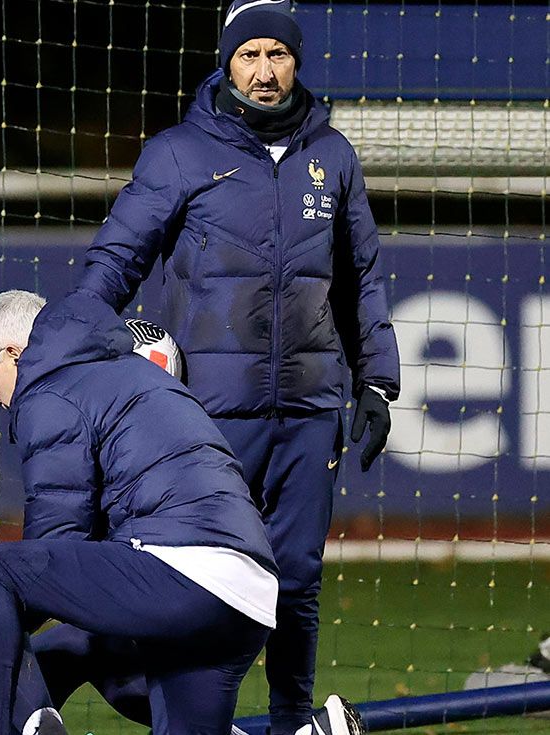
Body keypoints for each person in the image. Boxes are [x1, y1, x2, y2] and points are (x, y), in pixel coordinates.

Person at [75, 0, 400, 730]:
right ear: (225, 61)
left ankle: (291, 720)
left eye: (276, 55)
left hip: (312, 410)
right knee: (192, 572)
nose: (263, 71)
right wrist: (79, 346)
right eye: (248, 55)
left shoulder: (334, 157)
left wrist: (377, 379)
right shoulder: (178, 153)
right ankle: (171, 714)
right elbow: (115, 261)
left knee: (298, 578)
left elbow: (362, 280)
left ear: (297, 61)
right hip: (208, 413)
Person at [0, 289, 363, 735]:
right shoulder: (130, 370)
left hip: (184, 573)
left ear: (14, 354)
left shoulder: (50, 390)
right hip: (249, 593)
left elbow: (57, 534)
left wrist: (6, 614)